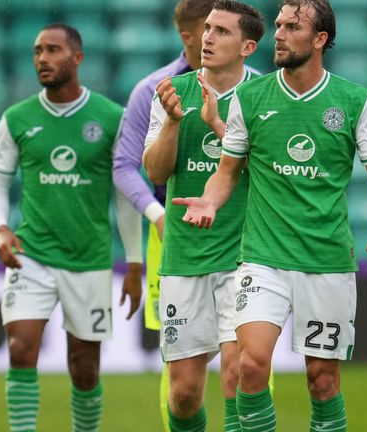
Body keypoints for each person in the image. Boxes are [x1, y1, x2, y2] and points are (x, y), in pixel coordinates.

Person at [174, 1, 367, 429]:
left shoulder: (353, 100)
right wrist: (210, 200)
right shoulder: (250, 97)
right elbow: (227, 170)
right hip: (262, 258)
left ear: (319, 40)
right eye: (277, 24)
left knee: (323, 381)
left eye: (292, 26)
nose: (278, 33)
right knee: (249, 368)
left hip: (326, 260)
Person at [0, 24, 142, 432]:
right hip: (31, 254)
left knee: (84, 368)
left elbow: (126, 195)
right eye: (37, 51)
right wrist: (1, 228)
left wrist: (135, 263)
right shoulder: (17, 118)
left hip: (88, 258)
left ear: (77, 58)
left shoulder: (111, 117)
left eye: (53, 50)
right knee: (20, 348)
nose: (42, 58)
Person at [143, 2, 263, 430]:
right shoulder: (173, 90)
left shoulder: (263, 96)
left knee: (238, 374)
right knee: (184, 394)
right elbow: (155, 172)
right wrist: (174, 122)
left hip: (244, 258)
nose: (208, 38)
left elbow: (270, 173)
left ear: (247, 46)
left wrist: (219, 126)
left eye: (222, 32)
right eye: (207, 28)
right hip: (185, 256)